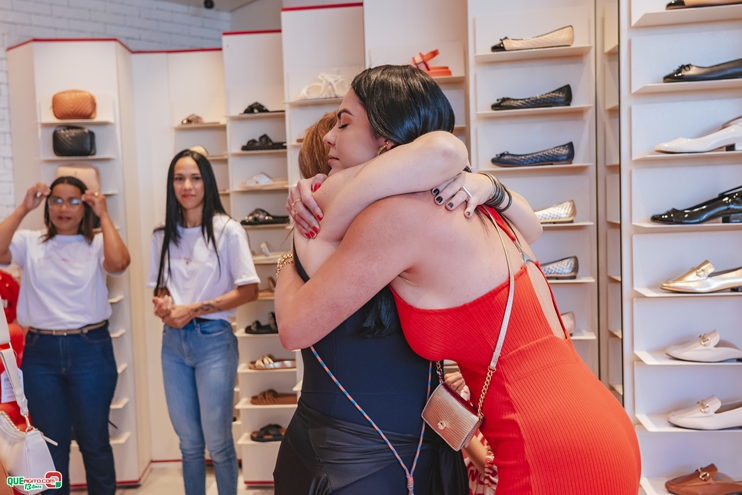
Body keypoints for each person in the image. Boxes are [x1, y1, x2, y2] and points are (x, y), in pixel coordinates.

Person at [275, 65, 642, 495]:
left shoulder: (402, 216)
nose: (328, 138)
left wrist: (294, 238)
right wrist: (492, 185)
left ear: (386, 141)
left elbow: (295, 325)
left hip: (549, 442)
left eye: (343, 123)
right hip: (591, 419)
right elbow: (532, 227)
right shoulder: (467, 200)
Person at [0, 176, 131, 495]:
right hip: (41, 352)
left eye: (74, 201)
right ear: (46, 206)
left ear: (85, 206)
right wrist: (23, 208)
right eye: (56, 200)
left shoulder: (97, 242)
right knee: (50, 444)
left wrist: (104, 214)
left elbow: (119, 263)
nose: (64, 208)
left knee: (94, 441)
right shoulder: (31, 241)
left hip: (90, 349)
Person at [148, 149, 259, 495]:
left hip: (214, 340)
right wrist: (164, 304)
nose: (187, 186)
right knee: (189, 444)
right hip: (173, 343)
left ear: (207, 182)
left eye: (195, 178)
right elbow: (162, 287)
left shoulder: (228, 231)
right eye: (179, 178)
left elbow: (249, 290)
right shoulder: (161, 235)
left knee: (219, 442)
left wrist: (193, 309)